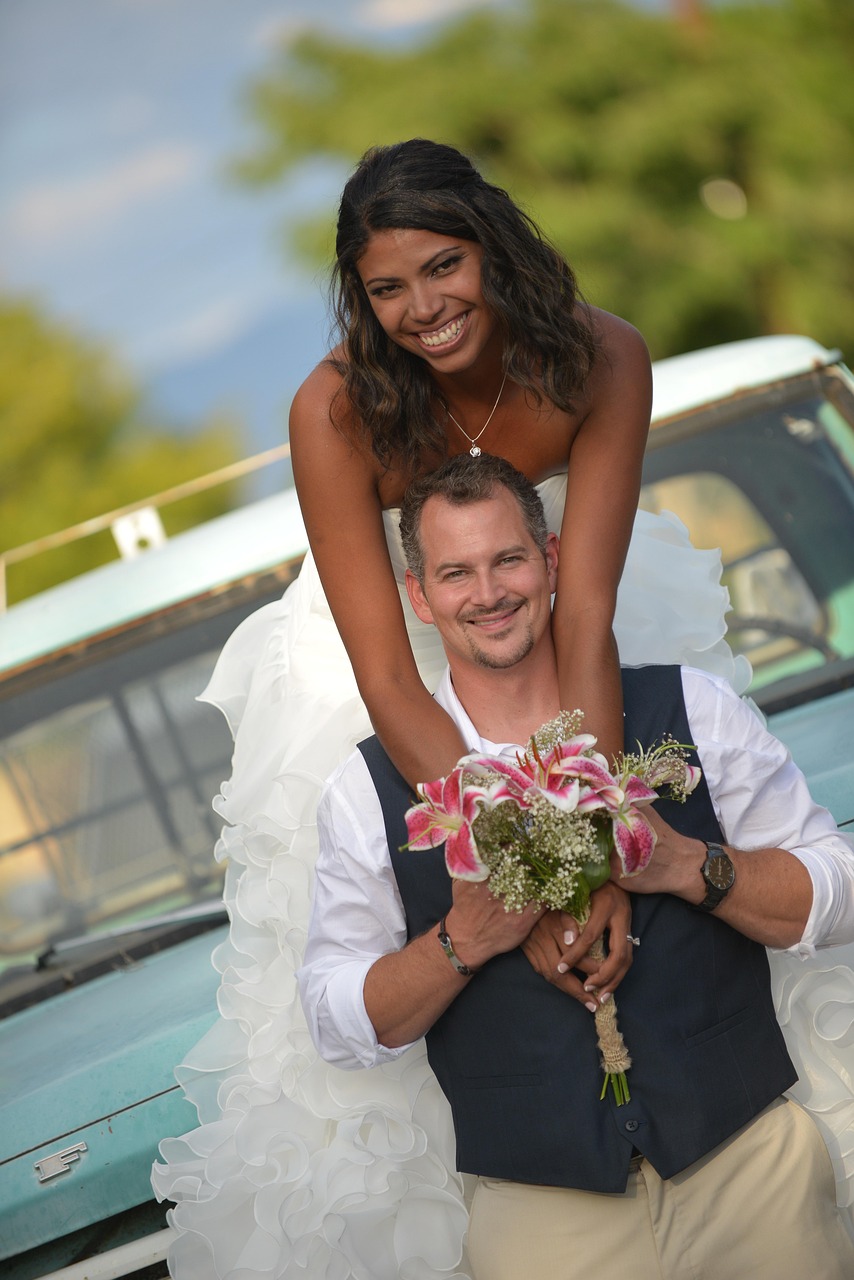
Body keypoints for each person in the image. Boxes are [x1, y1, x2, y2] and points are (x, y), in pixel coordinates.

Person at [151, 142, 759, 1278]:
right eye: (387, 288)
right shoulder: (334, 408)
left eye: (443, 266)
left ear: (494, 244)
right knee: (424, 934)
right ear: (360, 297)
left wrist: (590, 852)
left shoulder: (602, 357)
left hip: (555, 619)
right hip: (382, 667)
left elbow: (586, 613)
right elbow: (387, 679)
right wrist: (525, 867)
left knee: (672, 880)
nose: (422, 308)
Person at [299, 454, 854, 1280]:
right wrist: (461, 940)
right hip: (541, 1224)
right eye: (456, 573)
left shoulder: (691, 708)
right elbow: (333, 1019)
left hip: (751, 1173)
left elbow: (841, 894)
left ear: (552, 559)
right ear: (418, 596)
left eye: (509, 560)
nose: (489, 593)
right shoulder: (363, 793)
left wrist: (689, 864)